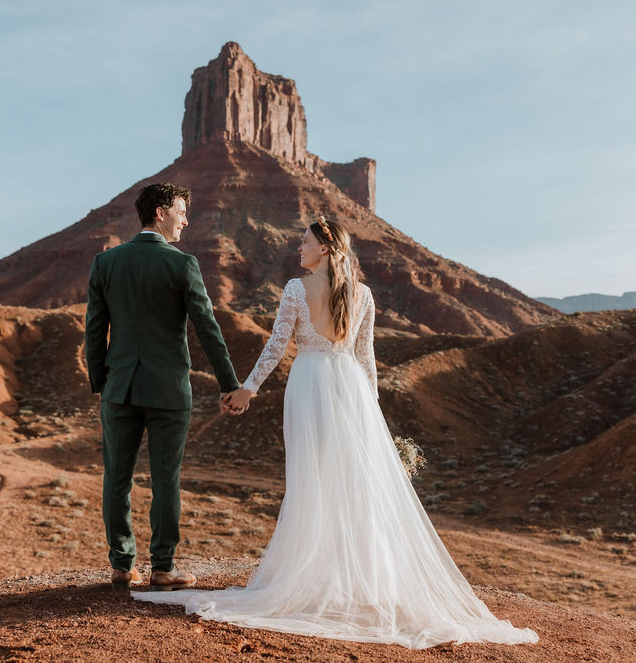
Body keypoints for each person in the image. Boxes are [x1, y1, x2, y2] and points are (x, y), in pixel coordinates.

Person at [133, 216, 539, 649]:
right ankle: (350, 580)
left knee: (312, 481)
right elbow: (366, 359)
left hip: (309, 385)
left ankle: (314, 578)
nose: (298, 247)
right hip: (350, 389)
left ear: (325, 248)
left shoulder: (296, 289)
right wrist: (373, 410)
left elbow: (276, 347)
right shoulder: (363, 295)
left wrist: (247, 389)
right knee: (351, 483)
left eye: (304, 241)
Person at [85, 182, 244, 592]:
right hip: (169, 391)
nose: (185, 220)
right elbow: (207, 328)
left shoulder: (106, 263)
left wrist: (102, 382)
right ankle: (163, 567)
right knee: (165, 478)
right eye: (181, 211)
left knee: (116, 477)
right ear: (160, 212)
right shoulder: (182, 264)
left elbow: (94, 330)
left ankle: (122, 565)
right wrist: (230, 384)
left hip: (120, 388)